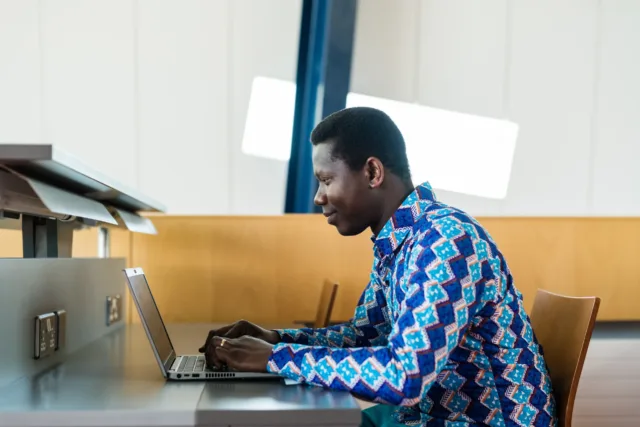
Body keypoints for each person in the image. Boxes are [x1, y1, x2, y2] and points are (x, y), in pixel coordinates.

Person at [200, 107, 557, 427]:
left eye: (326, 180)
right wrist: (275, 338)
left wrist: (276, 358)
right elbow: (363, 336)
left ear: (372, 172)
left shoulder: (445, 240)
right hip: (426, 417)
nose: (317, 197)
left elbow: (405, 377)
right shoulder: (401, 242)